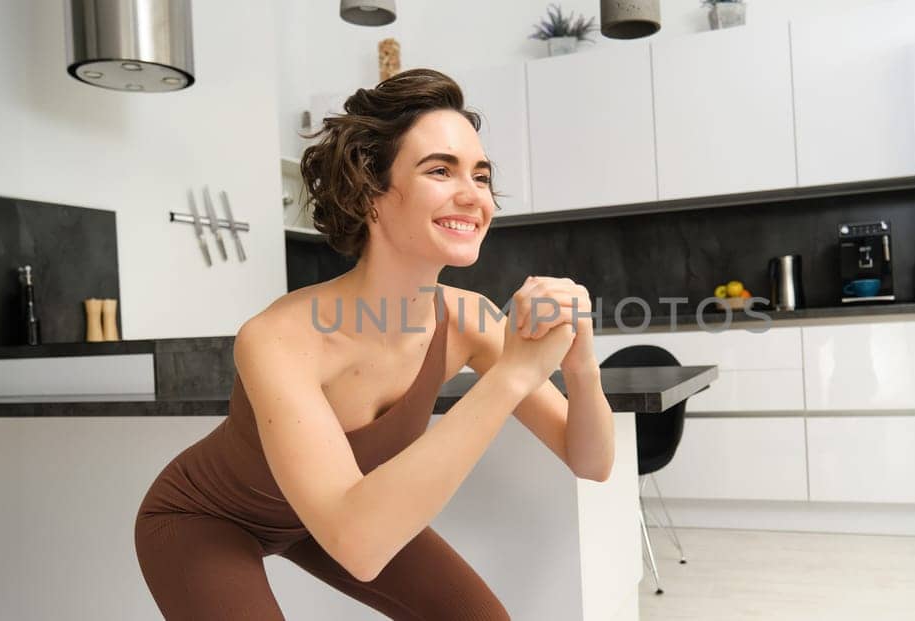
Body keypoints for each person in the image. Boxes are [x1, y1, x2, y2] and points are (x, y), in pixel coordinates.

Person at [134, 68, 615, 620]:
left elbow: (592, 462)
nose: (472, 196)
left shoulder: (468, 320)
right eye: (441, 170)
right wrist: (511, 377)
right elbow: (358, 547)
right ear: (371, 193)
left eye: (480, 177)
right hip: (205, 519)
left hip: (335, 515)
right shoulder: (279, 338)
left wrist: (580, 367)